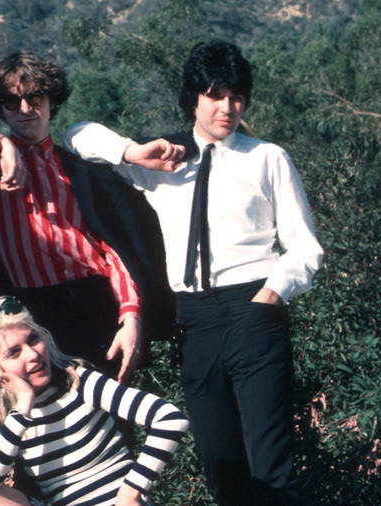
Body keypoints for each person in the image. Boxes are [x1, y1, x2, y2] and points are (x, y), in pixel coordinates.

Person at [64, 41, 324, 505]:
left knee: (272, 464)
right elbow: (76, 135)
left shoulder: (267, 158)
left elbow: (304, 248)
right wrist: (133, 152)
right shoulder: (163, 161)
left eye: (237, 97)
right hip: (194, 322)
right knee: (220, 463)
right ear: (193, 99)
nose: (228, 108)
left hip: (254, 311)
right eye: (215, 96)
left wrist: (272, 294)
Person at [0, 51, 184, 384]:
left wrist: (131, 313)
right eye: (12, 101)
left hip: (96, 302)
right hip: (32, 312)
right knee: (44, 422)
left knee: (110, 422)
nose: (25, 109)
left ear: (52, 101)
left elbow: (108, 250)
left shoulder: (76, 167)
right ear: (0, 108)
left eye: (35, 97)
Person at [0, 296, 189, 505]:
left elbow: (169, 419)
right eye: (14, 352)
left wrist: (132, 490)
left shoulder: (78, 382)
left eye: (33, 339)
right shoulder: (8, 420)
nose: (33, 355)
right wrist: (24, 403)